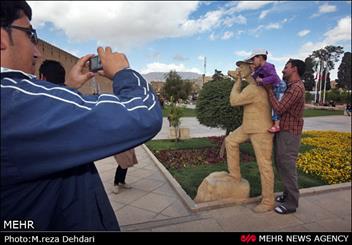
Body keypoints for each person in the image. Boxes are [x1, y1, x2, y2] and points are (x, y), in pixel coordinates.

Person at [1, 1, 162, 231]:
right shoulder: (16, 102)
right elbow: (144, 112)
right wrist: (124, 73)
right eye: (30, 35)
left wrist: (66, 89)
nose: (36, 51)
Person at [226, 60, 275, 213]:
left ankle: (268, 201)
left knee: (264, 165)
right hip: (248, 127)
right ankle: (235, 175)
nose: (238, 69)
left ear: (251, 68)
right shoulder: (252, 87)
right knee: (230, 140)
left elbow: (234, 101)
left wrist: (237, 82)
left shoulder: (254, 89)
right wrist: (239, 79)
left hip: (260, 130)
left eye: (241, 67)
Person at [263, 59, 306, 215]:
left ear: (294, 69)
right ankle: (287, 195)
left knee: (287, 166)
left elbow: (279, 107)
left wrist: (268, 90)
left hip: (289, 133)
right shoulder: (290, 87)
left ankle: (291, 204)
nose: (283, 70)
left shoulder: (296, 88)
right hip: (284, 131)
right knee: (281, 164)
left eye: (286, 67)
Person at [245, 49, 284, 133]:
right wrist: (253, 72)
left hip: (278, 87)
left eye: (253, 59)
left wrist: (262, 80)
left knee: (276, 106)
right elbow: (256, 78)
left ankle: (277, 125)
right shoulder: (259, 69)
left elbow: (273, 77)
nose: (252, 62)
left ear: (260, 57)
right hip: (272, 88)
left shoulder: (268, 66)